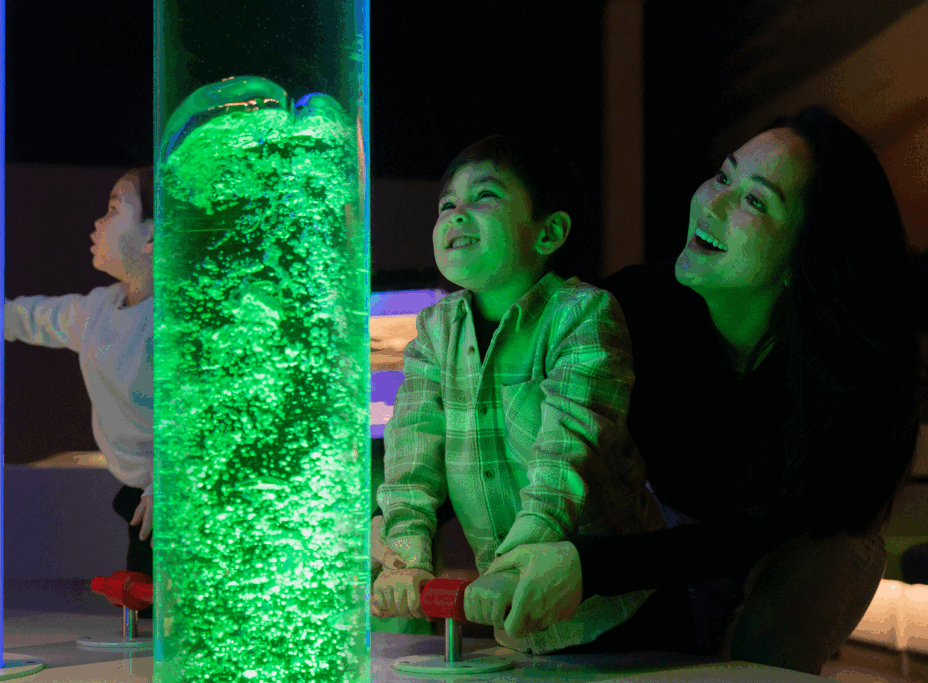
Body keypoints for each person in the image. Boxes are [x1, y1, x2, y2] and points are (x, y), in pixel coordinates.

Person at [480, 107, 922, 674]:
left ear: (806, 257)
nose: (711, 203)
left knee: (777, 627)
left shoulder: (849, 382)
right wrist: (398, 521)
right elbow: (498, 405)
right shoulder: (632, 308)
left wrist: (587, 566)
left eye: (756, 201)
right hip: (657, 530)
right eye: (723, 176)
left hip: (796, 538)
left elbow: (761, 528)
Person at [371, 135, 665, 655]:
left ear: (549, 232)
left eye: (483, 198)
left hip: (616, 610)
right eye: (447, 205)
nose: (456, 215)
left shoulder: (583, 315)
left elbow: (566, 457)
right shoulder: (433, 332)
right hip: (517, 618)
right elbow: (411, 461)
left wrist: (518, 560)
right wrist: (408, 560)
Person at [4, 167, 156, 614]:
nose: (97, 224)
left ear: (152, 236)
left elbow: (203, 416)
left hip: (184, 492)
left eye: (112, 210)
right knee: (143, 606)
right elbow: (29, 318)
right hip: (139, 497)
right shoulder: (97, 311)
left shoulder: (177, 322)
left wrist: (169, 484)